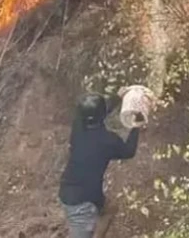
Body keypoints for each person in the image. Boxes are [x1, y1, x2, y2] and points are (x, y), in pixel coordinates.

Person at [58, 92, 141, 238]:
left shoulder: (78, 126)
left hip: (72, 191)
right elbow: (129, 151)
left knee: (110, 208)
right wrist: (136, 125)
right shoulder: (107, 141)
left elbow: (98, 112)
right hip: (80, 204)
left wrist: (118, 97)